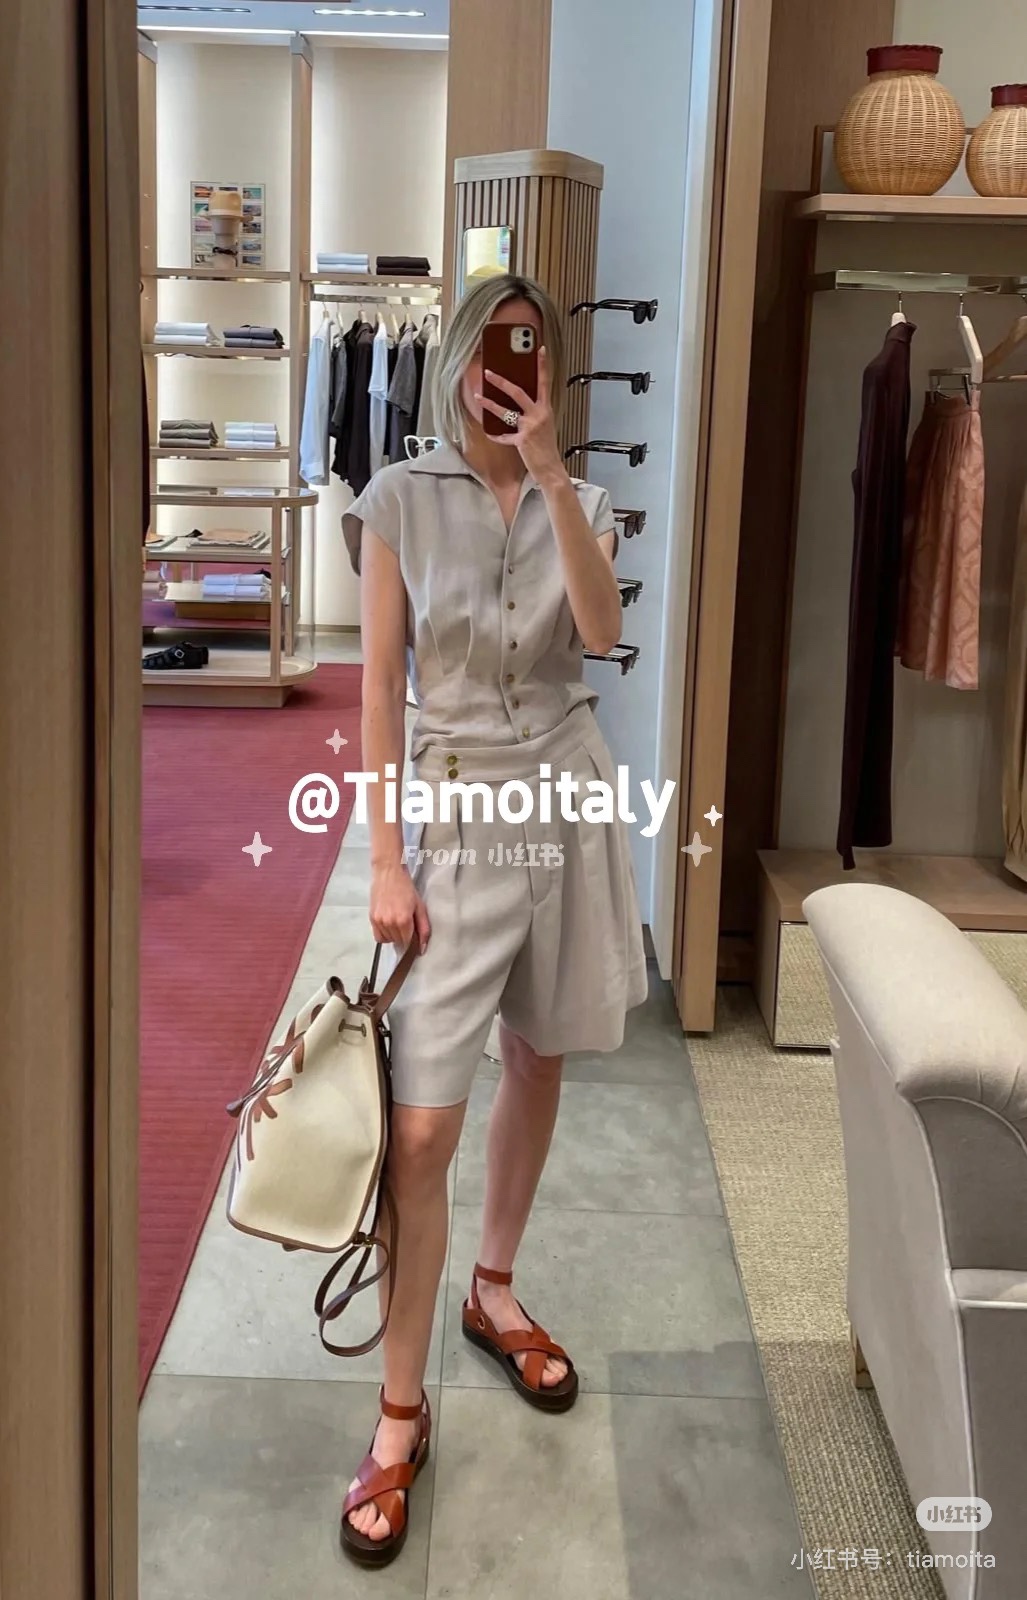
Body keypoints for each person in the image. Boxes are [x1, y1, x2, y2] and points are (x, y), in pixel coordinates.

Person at [338, 274, 648, 1567]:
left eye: (528, 350)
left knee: (541, 1053)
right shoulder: (398, 500)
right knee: (420, 1130)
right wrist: (385, 859)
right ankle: (398, 1412)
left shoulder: (588, 499)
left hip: (566, 797)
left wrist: (553, 473)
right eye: (487, 349)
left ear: (548, 369)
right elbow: (379, 690)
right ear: (458, 359)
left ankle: (496, 1288)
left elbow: (603, 631)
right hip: (459, 812)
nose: (503, 370)